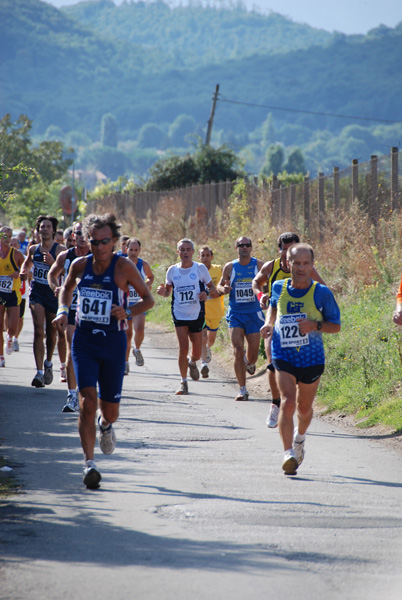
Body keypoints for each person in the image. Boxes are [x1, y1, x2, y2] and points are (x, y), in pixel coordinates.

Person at [53, 213, 154, 490]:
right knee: (87, 401)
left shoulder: (124, 268)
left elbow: (149, 299)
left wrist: (127, 311)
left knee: (110, 411)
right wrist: (63, 310)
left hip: (113, 342)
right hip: (84, 340)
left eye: (105, 241)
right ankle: (89, 465)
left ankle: (106, 425)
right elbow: (65, 289)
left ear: (114, 242)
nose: (98, 247)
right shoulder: (79, 265)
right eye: (94, 241)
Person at [260, 243, 341, 475]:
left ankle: (300, 438)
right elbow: (273, 308)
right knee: (287, 401)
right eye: (297, 263)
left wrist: (314, 325)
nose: (301, 268)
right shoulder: (278, 286)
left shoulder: (321, 292)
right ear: (288, 263)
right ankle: (288, 454)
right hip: (283, 353)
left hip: (311, 357)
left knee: (304, 409)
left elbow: (335, 326)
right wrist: (269, 322)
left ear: (312, 265)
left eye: (306, 263)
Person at [252, 232, 326, 428]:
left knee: (298, 366)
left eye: (290, 249)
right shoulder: (272, 266)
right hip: (275, 320)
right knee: (272, 361)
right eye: (284, 250)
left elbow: (323, 288)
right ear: (279, 250)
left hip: (300, 325)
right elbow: (256, 282)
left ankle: (293, 403)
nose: (287, 254)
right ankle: (276, 404)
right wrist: (261, 295)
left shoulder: (305, 268)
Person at [157, 238, 219, 395]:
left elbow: (212, 288)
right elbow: (167, 292)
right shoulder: (172, 270)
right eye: (182, 250)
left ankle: (192, 363)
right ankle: (183, 383)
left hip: (196, 314)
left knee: (197, 352)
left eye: (187, 250)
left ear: (192, 252)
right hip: (179, 313)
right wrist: (162, 291)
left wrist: (205, 293)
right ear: (178, 252)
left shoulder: (200, 269)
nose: (185, 252)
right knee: (183, 347)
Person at [48, 221, 91, 412]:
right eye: (78, 233)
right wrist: (55, 287)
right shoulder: (66, 256)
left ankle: (89, 393)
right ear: (73, 235)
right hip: (72, 307)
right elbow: (52, 274)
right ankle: (72, 396)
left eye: (85, 233)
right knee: (72, 348)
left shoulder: (98, 257)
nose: (81, 236)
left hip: (92, 310)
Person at [20, 215, 66, 387]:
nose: (44, 229)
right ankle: (39, 373)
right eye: (42, 227)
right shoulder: (33, 249)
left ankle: (48, 363)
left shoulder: (60, 250)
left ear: (53, 230)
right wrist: (24, 272)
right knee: (39, 331)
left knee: (52, 332)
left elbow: (67, 274)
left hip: (53, 294)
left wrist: (54, 263)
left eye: (48, 227)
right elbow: (26, 264)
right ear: (38, 230)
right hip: (37, 293)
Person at [217, 236, 264, 401]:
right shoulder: (230, 267)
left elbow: (268, 284)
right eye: (240, 245)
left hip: (254, 313)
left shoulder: (259, 266)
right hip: (236, 312)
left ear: (251, 247)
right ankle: (242, 389)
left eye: (247, 245)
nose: (244, 247)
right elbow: (219, 285)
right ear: (236, 248)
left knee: (252, 356)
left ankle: (249, 361)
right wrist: (224, 289)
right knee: (237, 349)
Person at [125, 237, 154, 373]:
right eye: (131, 249)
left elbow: (150, 276)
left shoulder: (143, 264)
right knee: (127, 334)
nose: (133, 252)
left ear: (139, 251)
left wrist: (148, 283)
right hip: (125, 303)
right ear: (126, 249)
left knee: (140, 329)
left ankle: (136, 349)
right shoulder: (121, 264)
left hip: (139, 302)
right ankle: (125, 363)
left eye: (136, 250)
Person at [198, 246, 225, 378]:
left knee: (211, 340)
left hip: (215, 310)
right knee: (202, 336)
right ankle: (204, 364)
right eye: (202, 255)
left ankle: (207, 349)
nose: (205, 258)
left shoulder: (218, 269)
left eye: (207, 255)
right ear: (199, 257)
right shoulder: (196, 270)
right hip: (200, 311)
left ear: (211, 257)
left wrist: (217, 293)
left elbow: (221, 286)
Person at [0, 227, 25, 366]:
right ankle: (1, 356)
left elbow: (26, 267)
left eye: (9, 236)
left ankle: (10, 338)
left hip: (13, 293)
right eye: (4, 235)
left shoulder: (16, 254)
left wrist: (20, 273)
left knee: (13, 326)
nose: (7, 239)